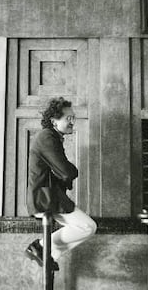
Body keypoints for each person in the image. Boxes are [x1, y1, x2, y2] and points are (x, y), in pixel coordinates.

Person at [25, 97, 97, 271]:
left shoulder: (53, 137)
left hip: (50, 196)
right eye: (68, 118)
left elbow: (62, 172)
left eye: (73, 117)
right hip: (45, 198)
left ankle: (48, 252)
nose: (73, 121)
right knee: (88, 226)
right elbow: (67, 172)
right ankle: (40, 246)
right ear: (53, 121)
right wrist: (71, 172)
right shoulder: (47, 137)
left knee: (86, 227)